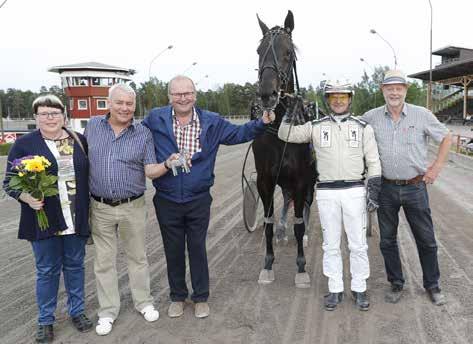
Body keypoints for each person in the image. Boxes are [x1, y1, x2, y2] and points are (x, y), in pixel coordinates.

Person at [143, 75, 274, 319]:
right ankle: (178, 297)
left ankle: (201, 297)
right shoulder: (155, 119)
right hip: (167, 198)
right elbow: (134, 135)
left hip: (198, 198)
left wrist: (262, 122)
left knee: (197, 247)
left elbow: (239, 133)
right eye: (177, 94)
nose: (183, 98)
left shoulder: (212, 121)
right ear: (169, 96)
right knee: (172, 250)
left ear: (195, 95)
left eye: (187, 93)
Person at [278, 80, 381, 311]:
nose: (338, 100)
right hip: (326, 192)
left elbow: (374, 162)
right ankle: (335, 289)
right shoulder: (315, 126)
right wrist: (290, 112)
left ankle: (359, 288)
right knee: (331, 245)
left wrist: (373, 191)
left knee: (358, 244)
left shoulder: (363, 127)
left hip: (355, 190)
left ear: (349, 99)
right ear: (328, 100)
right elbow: (286, 134)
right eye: (333, 96)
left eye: (342, 96)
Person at [85, 84, 177, 336]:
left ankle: (144, 302)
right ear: (109, 103)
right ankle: (107, 311)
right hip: (100, 206)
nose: (125, 108)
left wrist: (167, 164)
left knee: (137, 258)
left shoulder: (143, 133)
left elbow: (149, 170)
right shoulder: (92, 126)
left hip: (132, 206)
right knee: (104, 262)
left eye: (129, 104)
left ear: (134, 106)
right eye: (120, 103)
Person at [2, 95, 92, 343]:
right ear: (36, 117)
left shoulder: (78, 140)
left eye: (54, 113)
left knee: (75, 266)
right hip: (43, 217)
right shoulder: (25, 144)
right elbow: (9, 182)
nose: (50, 118)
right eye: (44, 114)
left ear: (64, 116)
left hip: (75, 216)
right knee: (47, 271)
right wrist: (27, 198)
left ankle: (77, 312)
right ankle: (46, 320)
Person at [361, 70, 452, 306]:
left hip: (415, 187)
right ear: (382, 90)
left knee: (426, 239)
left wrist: (435, 168)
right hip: (386, 189)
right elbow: (350, 131)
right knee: (387, 240)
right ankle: (396, 282)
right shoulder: (370, 117)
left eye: (398, 88)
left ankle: (433, 285)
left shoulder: (421, 115)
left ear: (405, 90)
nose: (394, 92)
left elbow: (446, 137)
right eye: (389, 88)